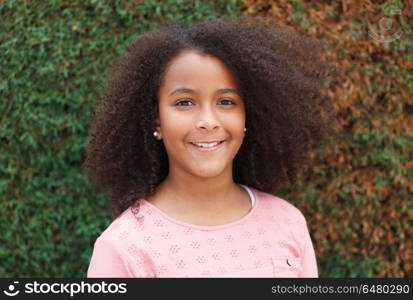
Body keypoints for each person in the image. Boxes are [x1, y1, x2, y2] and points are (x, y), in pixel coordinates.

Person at [82, 16, 335, 277]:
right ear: (155, 119)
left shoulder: (286, 222)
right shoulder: (125, 247)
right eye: (184, 103)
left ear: (249, 115)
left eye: (226, 102)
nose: (208, 122)